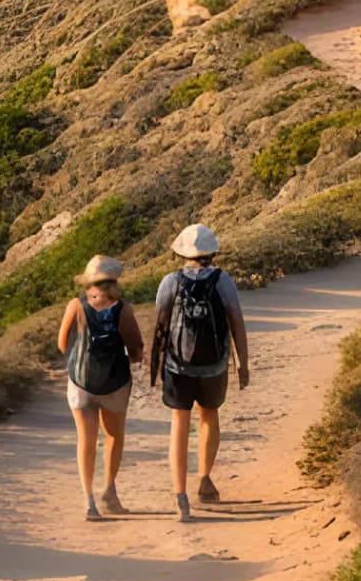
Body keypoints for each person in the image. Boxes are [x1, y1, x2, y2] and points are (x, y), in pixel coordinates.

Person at [152, 223, 250, 519]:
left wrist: (156, 367)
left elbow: (161, 326)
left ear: (182, 252)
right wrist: (242, 363)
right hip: (214, 364)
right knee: (209, 415)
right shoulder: (224, 281)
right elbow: (236, 322)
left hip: (177, 365)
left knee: (179, 424)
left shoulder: (170, 281)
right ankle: (205, 480)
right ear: (213, 252)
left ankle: (180, 494)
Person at [55, 253, 139, 520]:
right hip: (114, 382)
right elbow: (135, 348)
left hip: (81, 381)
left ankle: (89, 501)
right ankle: (109, 493)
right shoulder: (123, 308)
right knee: (113, 436)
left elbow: (62, 344)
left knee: (86, 441)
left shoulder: (76, 305)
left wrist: (77, 356)